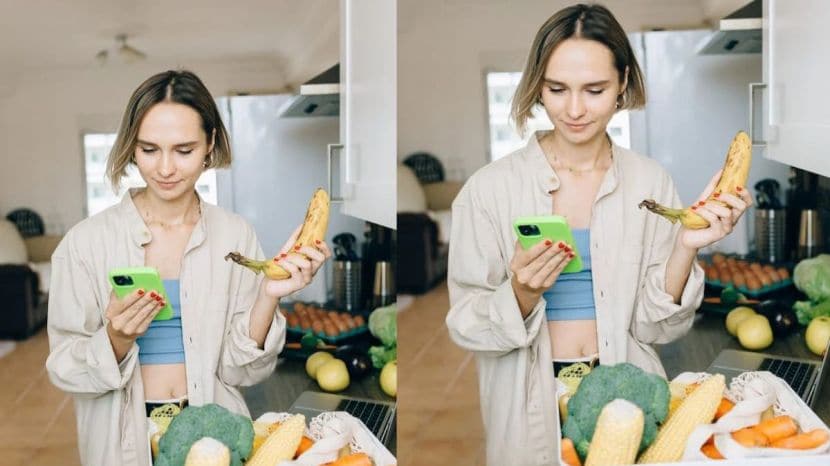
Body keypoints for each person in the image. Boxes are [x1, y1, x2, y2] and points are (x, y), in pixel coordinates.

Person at [444, 4, 752, 465]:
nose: (573, 109)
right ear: (537, 86)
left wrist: (686, 247)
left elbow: (658, 326)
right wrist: (521, 293)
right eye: (556, 89)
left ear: (623, 83)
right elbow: (465, 323)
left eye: (594, 90)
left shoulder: (650, 183)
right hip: (529, 402)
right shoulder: (488, 191)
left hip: (629, 395)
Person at [45, 70, 331, 466]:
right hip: (122, 443)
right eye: (148, 149)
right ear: (131, 146)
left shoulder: (235, 235)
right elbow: (63, 369)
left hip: (217, 439)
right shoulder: (84, 243)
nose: (165, 168)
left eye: (183, 150)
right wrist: (116, 339)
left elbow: (242, 371)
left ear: (210, 144)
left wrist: (269, 296)